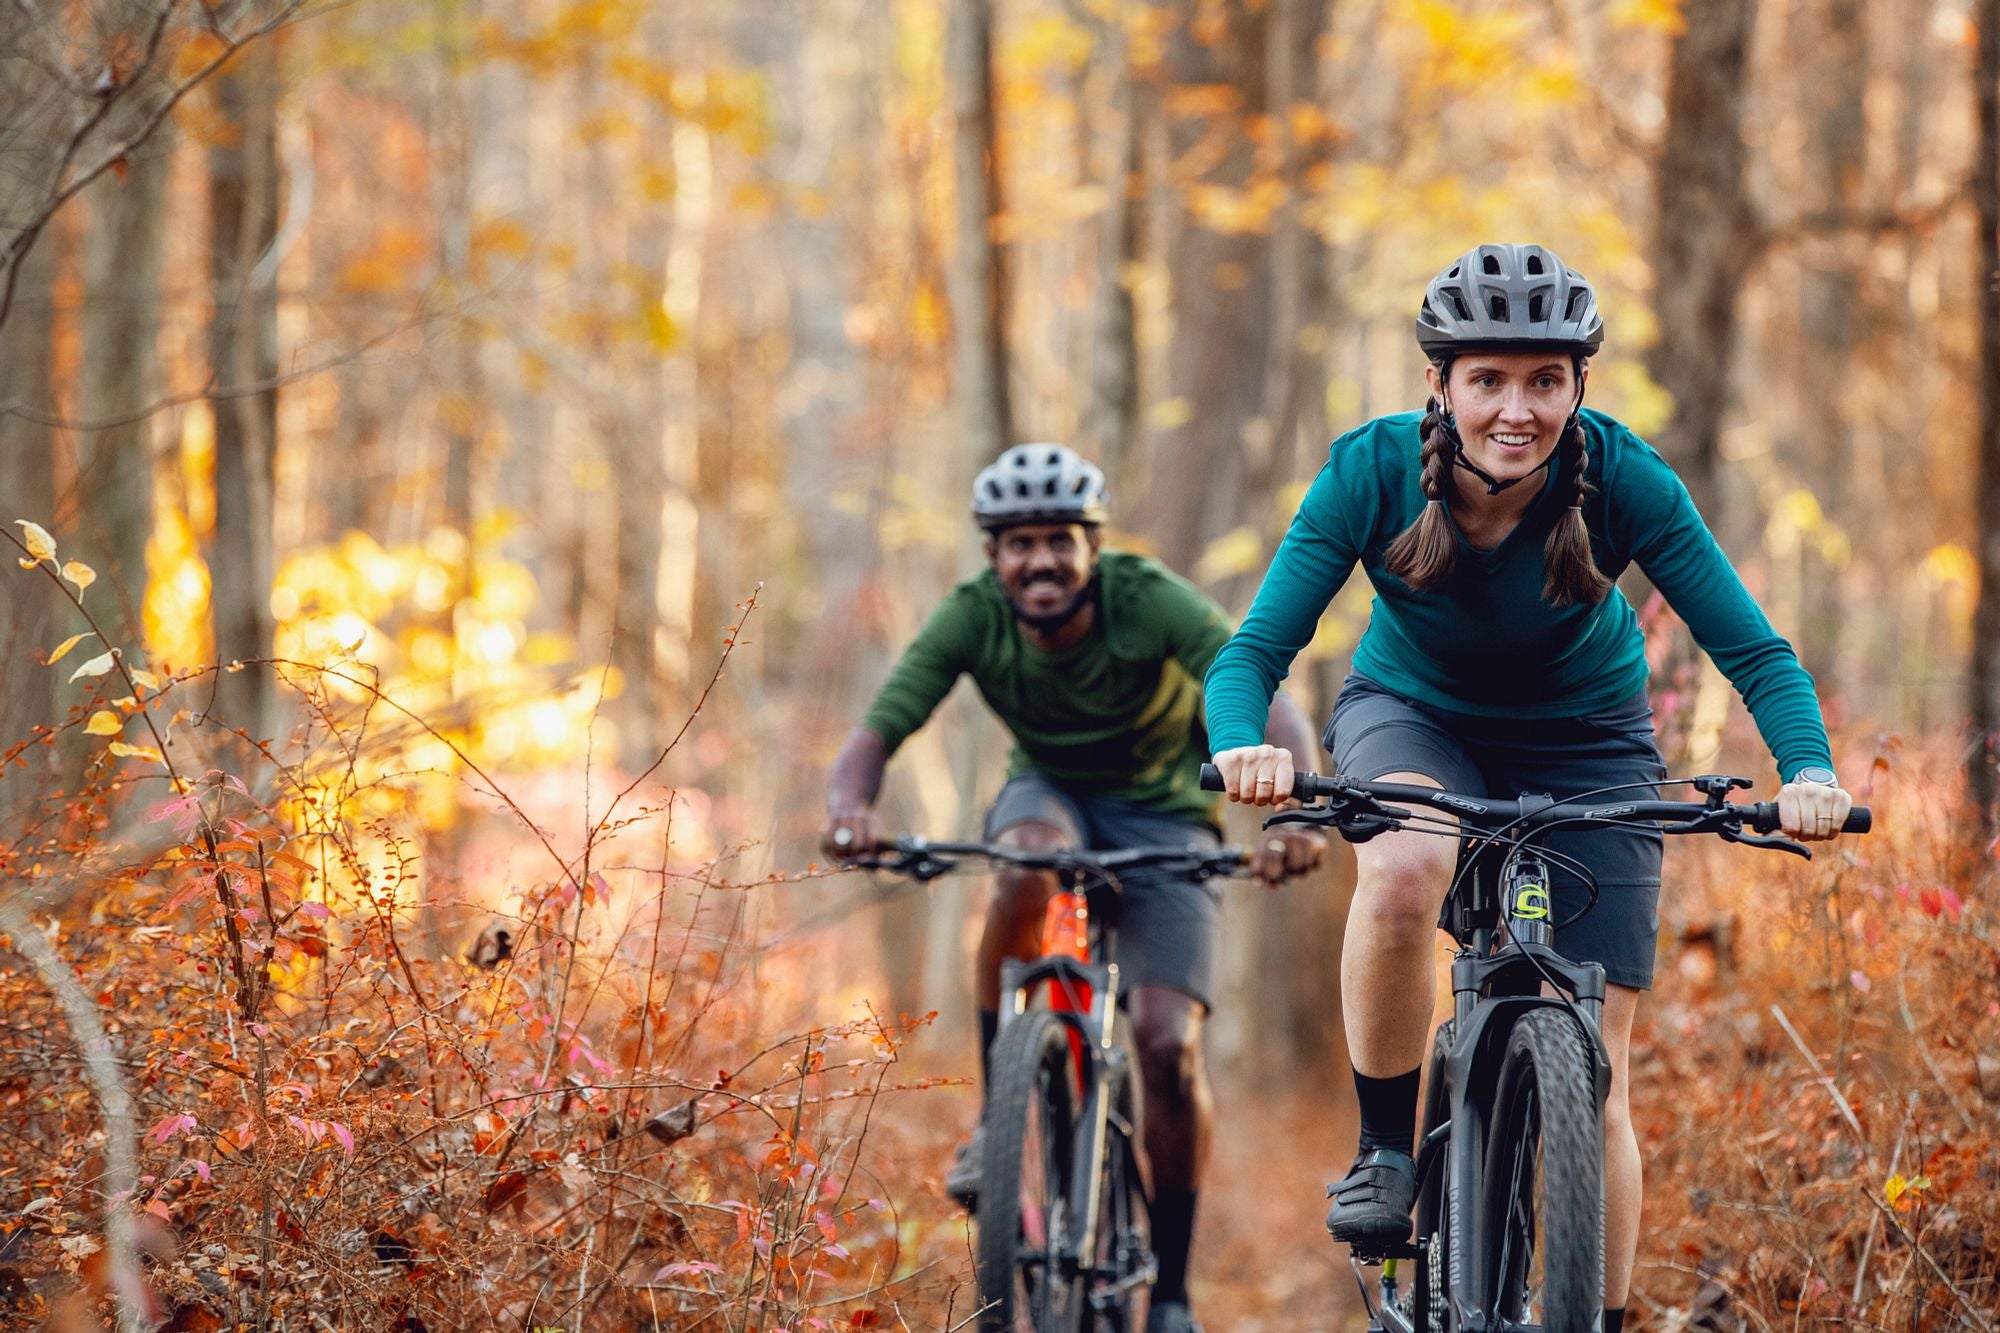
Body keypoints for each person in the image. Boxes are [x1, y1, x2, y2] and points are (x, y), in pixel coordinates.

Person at [1200, 244, 1853, 1333]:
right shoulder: (1365, 473)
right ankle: (1383, 1149)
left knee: (1593, 1080)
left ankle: (1585, 1319)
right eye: (1488, 379)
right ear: (1439, 385)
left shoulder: (1622, 477)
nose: (1517, 409)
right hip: (1412, 717)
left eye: (1543, 380)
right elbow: (1252, 651)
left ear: (1576, 387)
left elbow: (1754, 651)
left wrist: (1809, 770)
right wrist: (1240, 746)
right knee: (1406, 862)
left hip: (1588, 737)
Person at [822, 443, 1325, 1333]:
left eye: (1059, 539)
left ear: (1092, 546)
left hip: (1168, 815)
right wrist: (847, 807)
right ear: (994, 557)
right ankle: (998, 1114)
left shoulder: (1149, 598)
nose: (1040, 559)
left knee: (1168, 1044)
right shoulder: (973, 616)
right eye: (1018, 544)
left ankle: (1168, 1294)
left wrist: (1296, 809)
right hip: (1047, 796)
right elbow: (884, 721)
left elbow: (1256, 684)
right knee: (1020, 861)